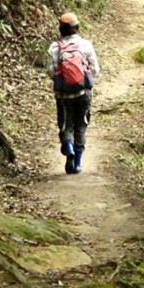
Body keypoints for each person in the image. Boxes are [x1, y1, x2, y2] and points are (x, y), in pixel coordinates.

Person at [47, 12, 100, 174]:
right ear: (77, 28)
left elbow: (51, 71)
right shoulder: (86, 45)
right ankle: (77, 164)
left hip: (63, 96)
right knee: (81, 125)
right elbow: (95, 70)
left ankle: (68, 146)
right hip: (84, 93)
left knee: (66, 124)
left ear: (61, 29)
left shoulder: (55, 47)